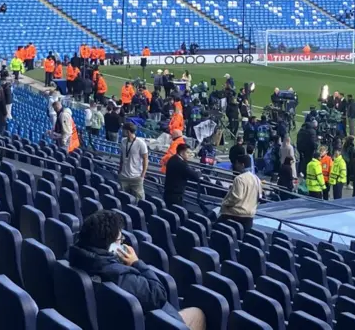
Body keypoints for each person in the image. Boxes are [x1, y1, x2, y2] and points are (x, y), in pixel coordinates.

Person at [69, 211, 206, 330]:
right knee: (198, 314)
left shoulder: (75, 259)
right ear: (110, 246)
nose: (122, 243)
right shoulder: (119, 276)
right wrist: (136, 262)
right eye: (120, 240)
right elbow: (158, 295)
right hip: (150, 323)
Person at [219, 154, 262, 232]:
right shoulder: (257, 179)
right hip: (249, 216)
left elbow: (237, 197)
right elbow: (260, 197)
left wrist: (225, 203)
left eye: (237, 163)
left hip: (235, 215)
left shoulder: (239, 179)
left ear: (242, 165)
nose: (236, 166)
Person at [119, 122, 149, 201]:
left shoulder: (141, 143)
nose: (122, 132)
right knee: (124, 198)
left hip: (136, 177)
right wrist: (120, 170)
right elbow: (122, 156)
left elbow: (145, 159)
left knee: (139, 200)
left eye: (123, 130)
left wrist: (142, 175)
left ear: (127, 131)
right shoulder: (123, 141)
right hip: (124, 175)